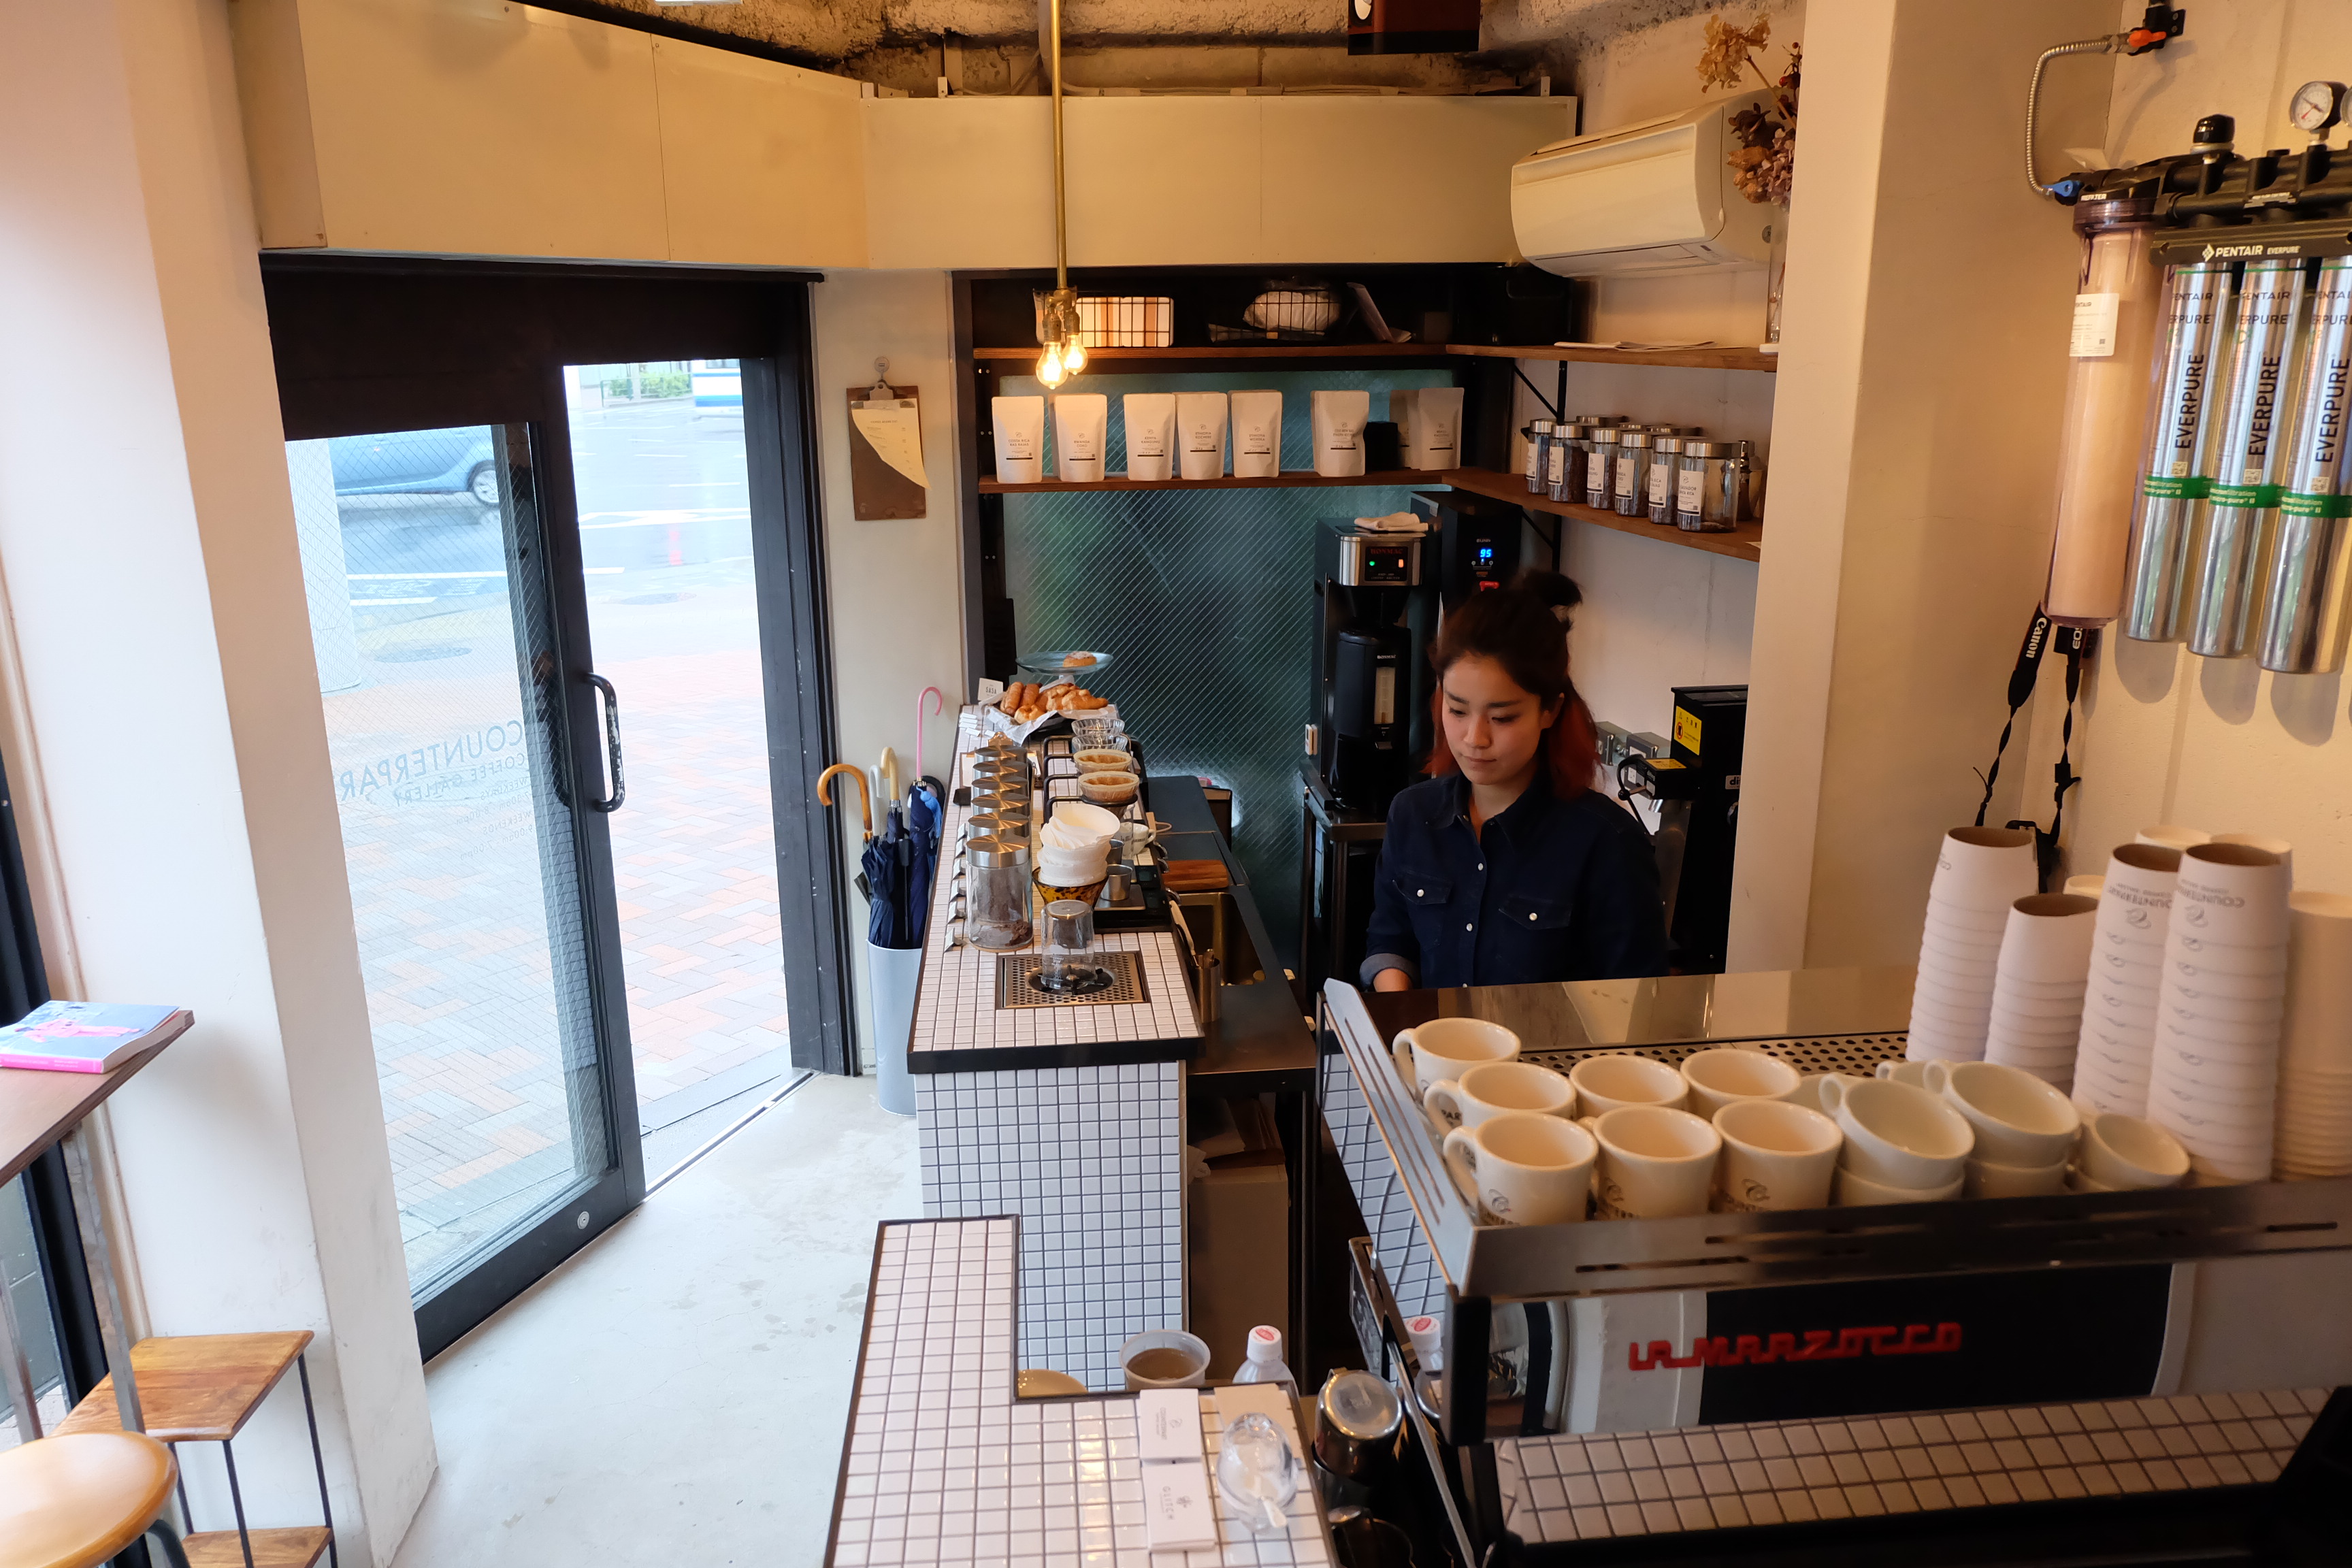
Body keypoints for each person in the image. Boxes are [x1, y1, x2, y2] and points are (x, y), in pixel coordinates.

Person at [1361, 571, 1666, 991]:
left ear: (1550, 711)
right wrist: (1403, 1022)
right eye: (1457, 710)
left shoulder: (1607, 843)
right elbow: (1391, 940)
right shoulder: (1414, 815)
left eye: (1502, 717)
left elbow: (1635, 1004)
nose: (1474, 739)